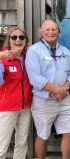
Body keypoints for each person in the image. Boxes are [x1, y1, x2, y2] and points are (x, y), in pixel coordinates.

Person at [25, 19, 70, 159]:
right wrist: (57, 90)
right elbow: (35, 79)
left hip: (65, 100)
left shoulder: (65, 52)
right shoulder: (34, 51)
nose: (50, 32)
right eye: (47, 29)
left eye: (54, 29)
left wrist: (64, 89)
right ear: (41, 32)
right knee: (43, 135)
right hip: (43, 102)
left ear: (58, 33)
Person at [0, 26, 32, 159]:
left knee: (22, 143)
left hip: (26, 107)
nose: (18, 40)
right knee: (2, 145)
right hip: (8, 108)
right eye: (14, 37)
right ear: (9, 40)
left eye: (21, 37)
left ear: (26, 41)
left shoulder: (29, 58)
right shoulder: (3, 59)